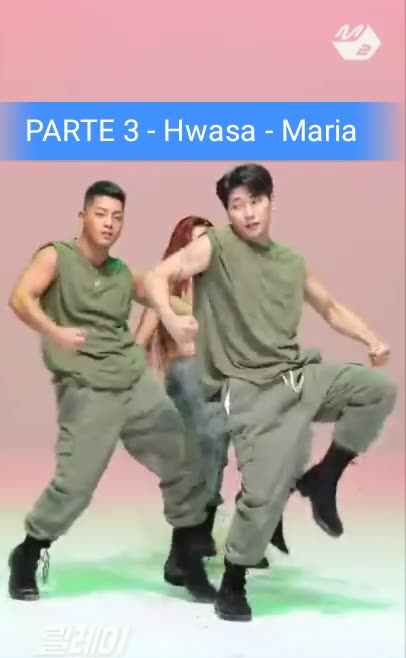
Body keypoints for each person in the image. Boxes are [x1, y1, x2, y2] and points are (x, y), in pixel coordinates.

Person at [143, 163, 397, 622]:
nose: (248, 213)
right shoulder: (216, 246)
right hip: (249, 389)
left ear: (270, 201)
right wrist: (171, 317)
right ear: (227, 212)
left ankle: (324, 477)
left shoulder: (291, 261)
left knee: (377, 390)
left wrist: (370, 339)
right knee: (263, 494)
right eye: (237, 205)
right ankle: (233, 581)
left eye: (255, 201)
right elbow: (158, 276)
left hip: (298, 376)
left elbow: (330, 307)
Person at [7, 180, 217, 605]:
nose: (108, 223)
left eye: (117, 217)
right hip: (87, 387)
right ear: (82, 217)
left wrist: (199, 314)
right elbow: (20, 298)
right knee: (75, 485)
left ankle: (188, 560)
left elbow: (163, 297)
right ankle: (28, 552)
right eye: (100, 214)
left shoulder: (122, 273)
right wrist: (55, 332)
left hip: (133, 380)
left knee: (184, 460)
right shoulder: (56, 257)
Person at [135, 216, 288, 585]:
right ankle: (185, 549)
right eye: (195, 242)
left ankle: (244, 533)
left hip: (222, 376)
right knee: (210, 444)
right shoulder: (168, 290)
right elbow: (140, 343)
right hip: (187, 374)